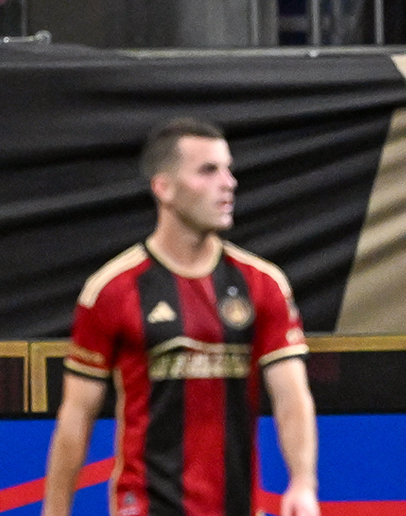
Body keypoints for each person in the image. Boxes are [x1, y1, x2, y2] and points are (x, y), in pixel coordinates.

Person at [43, 118, 320, 516]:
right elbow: (76, 414)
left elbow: (291, 396)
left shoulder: (263, 283)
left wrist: (303, 482)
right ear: (164, 187)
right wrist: (55, 511)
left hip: (238, 505)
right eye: (208, 171)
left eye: (228, 168)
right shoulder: (110, 290)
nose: (229, 183)